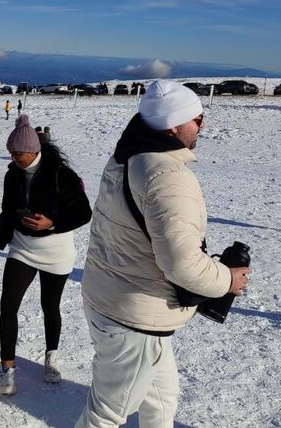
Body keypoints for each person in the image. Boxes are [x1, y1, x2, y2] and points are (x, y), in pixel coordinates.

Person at [74, 81, 249, 428]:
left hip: (114, 300)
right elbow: (182, 264)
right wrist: (227, 278)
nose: (203, 124)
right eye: (197, 119)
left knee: (162, 401)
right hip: (134, 318)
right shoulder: (167, 175)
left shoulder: (126, 156)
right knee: (107, 414)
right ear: (173, 125)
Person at [0, 115, 92, 397]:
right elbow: (7, 214)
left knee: (49, 306)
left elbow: (83, 212)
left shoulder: (61, 175)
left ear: (34, 150)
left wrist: (51, 222)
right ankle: (7, 374)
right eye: (11, 153)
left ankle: (51, 357)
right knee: (8, 305)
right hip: (22, 249)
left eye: (19, 153)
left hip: (57, 252)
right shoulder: (11, 175)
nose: (15, 157)